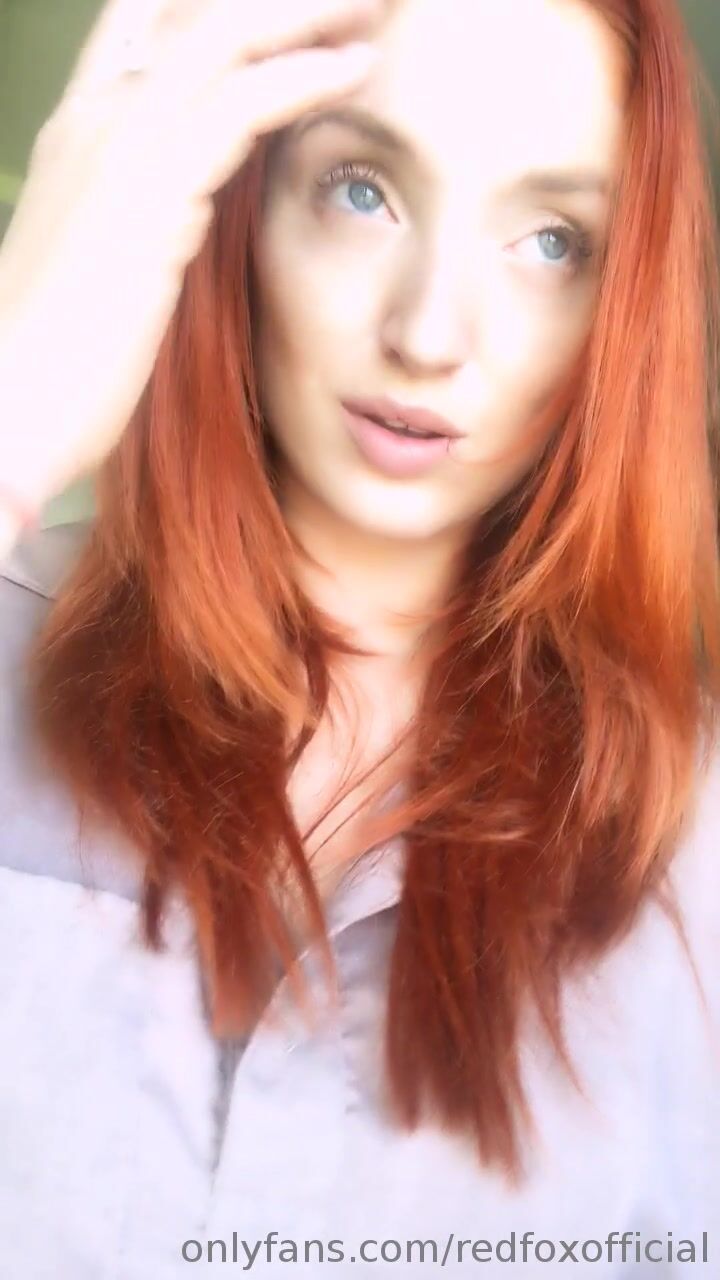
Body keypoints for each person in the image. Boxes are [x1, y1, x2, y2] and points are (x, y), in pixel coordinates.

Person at [0, 0, 718, 1275]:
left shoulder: (696, 843)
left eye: (551, 240)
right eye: (361, 189)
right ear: (237, 206)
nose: (429, 334)